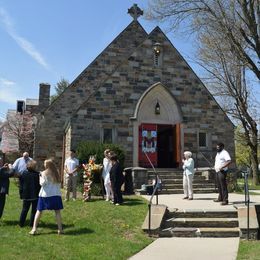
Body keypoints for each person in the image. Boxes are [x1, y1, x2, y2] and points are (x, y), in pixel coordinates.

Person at [29, 159, 63, 235]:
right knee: (57, 212)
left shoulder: (43, 173)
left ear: (47, 165)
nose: (44, 164)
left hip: (45, 195)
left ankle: (34, 229)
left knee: (39, 211)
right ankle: (60, 229)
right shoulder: (56, 172)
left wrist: (40, 176)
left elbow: (42, 183)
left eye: (44, 163)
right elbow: (59, 183)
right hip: (56, 194)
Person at [18, 160, 41, 227]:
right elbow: (39, 185)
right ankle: (31, 224)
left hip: (26, 194)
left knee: (25, 209)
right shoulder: (37, 174)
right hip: (35, 194)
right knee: (33, 210)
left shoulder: (23, 173)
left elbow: (21, 186)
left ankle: (21, 224)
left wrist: (21, 194)